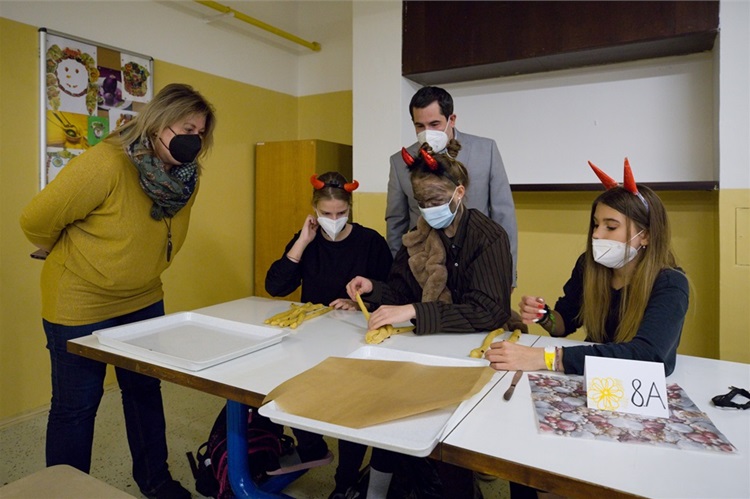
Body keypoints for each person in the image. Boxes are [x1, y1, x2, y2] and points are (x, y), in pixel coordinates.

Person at [20, 83, 216, 499]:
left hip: (143, 296)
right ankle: (64, 493)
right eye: (187, 129)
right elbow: (36, 219)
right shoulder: (106, 163)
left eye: (200, 133)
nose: (194, 140)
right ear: (159, 123)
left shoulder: (186, 178)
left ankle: (156, 481)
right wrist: (62, 247)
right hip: (80, 299)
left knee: (144, 392)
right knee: (76, 406)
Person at [345, 141, 513, 498]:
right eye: (422, 201)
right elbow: (400, 291)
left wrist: (415, 311)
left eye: (436, 200)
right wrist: (373, 288)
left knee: (448, 435)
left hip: (474, 354)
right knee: (393, 409)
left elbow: (488, 310)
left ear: (459, 192)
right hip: (430, 347)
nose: (429, 209)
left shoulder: (488, 237)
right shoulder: (419, 236)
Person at [486, 159, 689, 377]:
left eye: (611, 227)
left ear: (646, 235)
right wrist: (544, 315)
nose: (597, 234)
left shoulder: (670, 284)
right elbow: (562, 325)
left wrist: (545, 358)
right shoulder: (589, 266)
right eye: (596, 224)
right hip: (591, 377)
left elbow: (647, 356)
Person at [264, 171, 393, 497]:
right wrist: (302, 242)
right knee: (286, 389)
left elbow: (394, 290)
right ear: (315, 211)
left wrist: (360, 301)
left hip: (354, 342)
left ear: (350, 209)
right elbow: (275, 286)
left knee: (350, 408)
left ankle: (344, 481)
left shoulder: (370, 242)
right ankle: (311, 446)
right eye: (326, 214)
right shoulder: (308, 240)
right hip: (311, 341)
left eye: (340, 214)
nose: (333, 221)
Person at [386, 85, 519, 286]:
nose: (427, 132)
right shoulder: (400, 162)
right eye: (420, 126)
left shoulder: (485, 150)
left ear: (452, 119)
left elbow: (504, 215)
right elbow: (396, 222)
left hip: (478, 264)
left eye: (434, 124)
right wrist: (399, 275)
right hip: (425, 270)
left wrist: (507, 276)